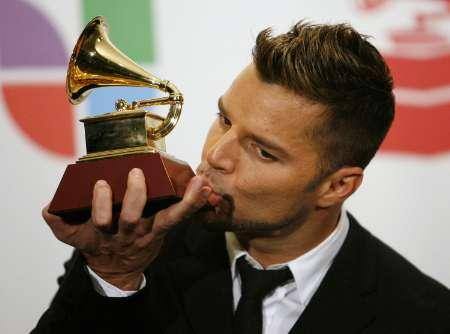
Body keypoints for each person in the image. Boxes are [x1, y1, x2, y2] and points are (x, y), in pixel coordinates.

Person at [32, 21, 449, 334]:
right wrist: (115, 277)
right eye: (224, 119)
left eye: (263, 151)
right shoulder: (130, 247)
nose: (216, 154)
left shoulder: (423, 316)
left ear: (337, 186)